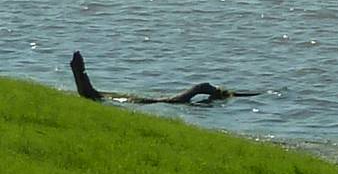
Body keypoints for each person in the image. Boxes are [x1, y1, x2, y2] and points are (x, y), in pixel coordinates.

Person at [68, 51, 263, 105]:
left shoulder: (92, 96)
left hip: (135, 100)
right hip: (134, 101)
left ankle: (202, 88)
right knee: (170, 101)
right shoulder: (92, 95)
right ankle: (202, 88)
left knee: (171, 101)